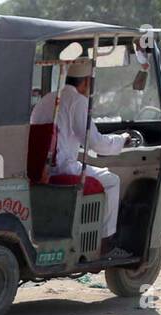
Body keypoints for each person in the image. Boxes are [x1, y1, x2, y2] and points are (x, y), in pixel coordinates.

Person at [29, 60, 129, 256]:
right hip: (63, 168)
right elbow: (94, 142)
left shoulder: (47, 99)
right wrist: (121, 141)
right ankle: (105, 243)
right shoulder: (78, 101)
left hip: (40, 169)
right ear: (85, 82)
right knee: (112, 181)